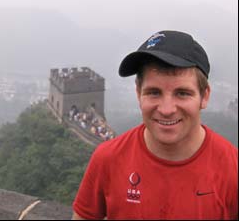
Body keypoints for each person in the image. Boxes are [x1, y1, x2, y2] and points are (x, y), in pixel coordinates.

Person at [72, 30, 238, 220]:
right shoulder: (107, 159)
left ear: (204, 95)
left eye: (182, 93)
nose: (167, 109)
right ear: (138, 93)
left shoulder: (232, 169)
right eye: (154, 92)